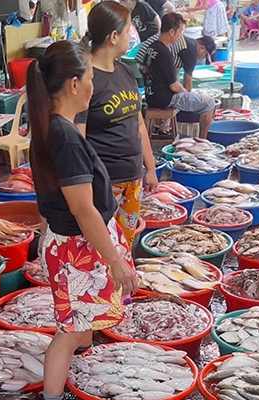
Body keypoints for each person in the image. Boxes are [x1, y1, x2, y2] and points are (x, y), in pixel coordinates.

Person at [27, 40, 139, 400]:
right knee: (70, 331)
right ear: (75, 84)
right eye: (91, 77)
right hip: (80, 250)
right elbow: (83, 209)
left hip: (71, 245)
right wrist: (116, 263)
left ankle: (80, 376)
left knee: (82, 324)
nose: (94, 85)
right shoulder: (65, 137)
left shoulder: (55, 127)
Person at [77, 1, 160, 246]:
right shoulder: (85, 78)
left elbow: (139, 124)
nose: (131, 37)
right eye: (128, 32)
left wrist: (151, 168)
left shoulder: (125, 72)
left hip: (133, 178)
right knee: (100, 248)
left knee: (125, 244)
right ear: (114, 36)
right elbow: (77, 138)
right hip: (103, 182)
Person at [142, 13, 216, 137]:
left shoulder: (152, 47)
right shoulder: (164, 53)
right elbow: (174, 86)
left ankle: (166, 126)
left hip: (151, 97)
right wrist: (187, 94)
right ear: (172, 32)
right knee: (210, 103)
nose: (181, 35)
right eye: (180, 31)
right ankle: (203, 142)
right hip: (165, 99)